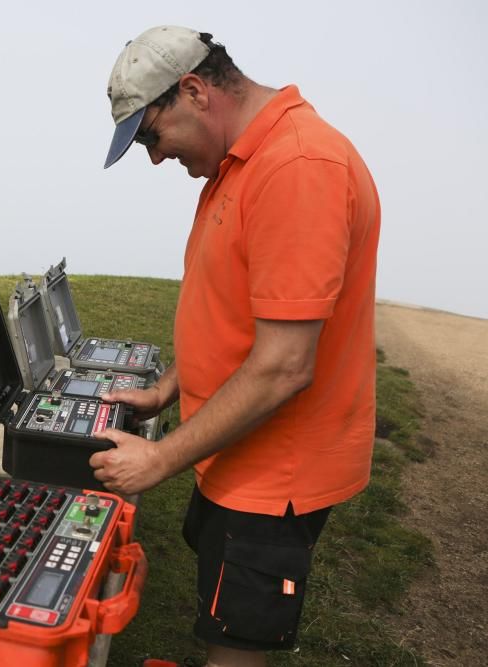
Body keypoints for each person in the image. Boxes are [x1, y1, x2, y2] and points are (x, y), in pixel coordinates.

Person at [90, 26, 381, 667]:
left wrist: (159, 459)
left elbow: (282, 366)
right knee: (218, 613)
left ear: (192, 91)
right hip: (238, 456)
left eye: (150, 136)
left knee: (235, 647)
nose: (155, 157)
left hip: (273, 477)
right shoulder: (241, 164)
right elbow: (233, 311)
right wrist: (166, 387)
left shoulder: (299, 167)